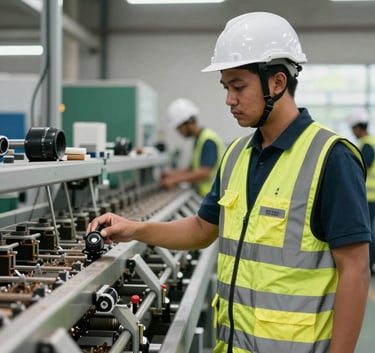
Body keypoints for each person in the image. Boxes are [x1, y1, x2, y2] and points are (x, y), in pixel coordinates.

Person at [87, 12, 371, 353]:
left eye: (238, 87)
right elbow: (202, 229)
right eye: (226, 87)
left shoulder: (331, 157)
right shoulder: (236, 154)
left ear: (277, 83)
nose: (229, 100)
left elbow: (354, 269)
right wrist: (134, 228)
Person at [160, 97, 224, 197]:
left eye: (178, 128)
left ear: (188, 123)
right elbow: (191, 169)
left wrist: (174, 180)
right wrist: (171, 174)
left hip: (211, 196)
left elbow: (204, 173)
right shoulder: (199, 139)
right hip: (204, 195)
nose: (179, 132)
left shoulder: (208, 140)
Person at [349, 108, 375, 275]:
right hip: (369, 196)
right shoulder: (369, 143)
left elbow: (360, 168)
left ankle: (367, 264)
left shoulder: (366, 145)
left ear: (358, 127)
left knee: (366, 233)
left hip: (368, 197)